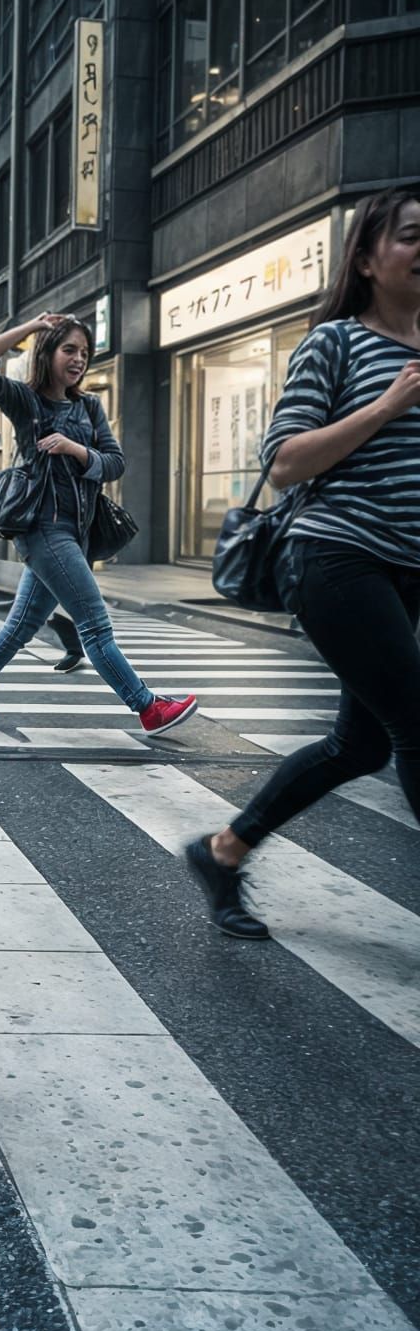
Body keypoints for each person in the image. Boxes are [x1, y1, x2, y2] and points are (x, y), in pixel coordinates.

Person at [186, 185, 420, 939]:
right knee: (414, 725)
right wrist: (386, 406)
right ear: (367, 256)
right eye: (412, 236)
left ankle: (225, 852)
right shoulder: (337, 344)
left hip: (405, 570)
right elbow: (284, 462)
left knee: (363, 743)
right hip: (338, 559)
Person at [0, 312, 197, 737]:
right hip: (43, 529)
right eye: (69, 350)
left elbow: (115, 463)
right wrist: (30, 328)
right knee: (95, 624)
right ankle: (148, 707)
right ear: (48, 352)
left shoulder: (89, 406)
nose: (79, 359)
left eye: (84, 351)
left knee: (21, 625)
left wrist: (76, 449)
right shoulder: (27, 402)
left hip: (74, 533)